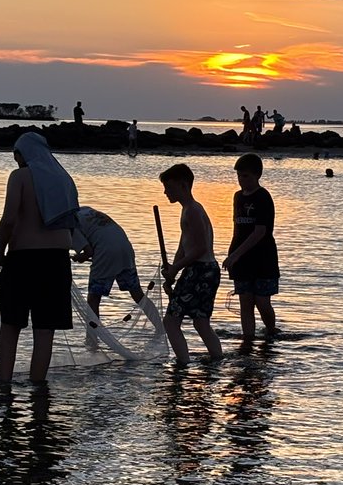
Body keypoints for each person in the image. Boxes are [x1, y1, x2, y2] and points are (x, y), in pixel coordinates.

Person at [0, 132, 76, 383]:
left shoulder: (20, 177)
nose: (15, 160)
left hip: (23, 261)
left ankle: (4, 388)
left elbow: (8, 220)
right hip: (57, 263)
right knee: (45, 330)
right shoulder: (63, 179)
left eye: (16, 155)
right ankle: (38, 389)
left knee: (10, 325)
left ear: (22, 154)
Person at [159, 164, 222, 364]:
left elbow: (201, 248)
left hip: (200, 270)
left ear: (184, 185)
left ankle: (183, 365)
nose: (166, 192)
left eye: (170, 187)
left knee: (170, 321)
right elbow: (184, 246)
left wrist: (177, 268)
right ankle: (217, 360)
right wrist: (172, 271)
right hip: (205, 270)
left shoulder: (193, 210)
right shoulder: (188, 209)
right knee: (201, 322)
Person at [71, 205, 161, 346]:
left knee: (93, 299)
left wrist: (79, 257)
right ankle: (161, 329)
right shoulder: (85, 210)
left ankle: (92, 341)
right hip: (125, 248)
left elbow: (88, 251)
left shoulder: (69, 224)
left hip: (105, 252)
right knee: (137, 294)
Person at [223, 153, 280, 340]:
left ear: (256, 175)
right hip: (241, 260)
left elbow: (260, 231)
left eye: (245, 176)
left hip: (263, 258)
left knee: (262, 302)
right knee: (245, 302)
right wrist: (232, 254)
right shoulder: (237, 197)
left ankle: (271, 331)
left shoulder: (263, 197)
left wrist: (236, 255)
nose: (241, 180)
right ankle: (248, 340)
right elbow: (237, 228)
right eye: (239, 176)